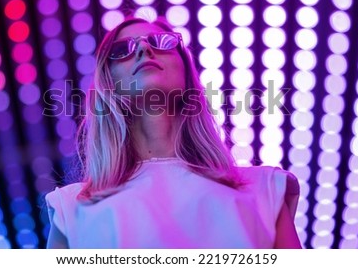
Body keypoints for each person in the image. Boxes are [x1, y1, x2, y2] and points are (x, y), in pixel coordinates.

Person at [45, 15, 302, 249]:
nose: (145, 49)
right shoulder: (73, 209)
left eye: (161, 42)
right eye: (122, 49)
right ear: (107, 84)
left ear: (187, 73)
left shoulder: (262, 190)